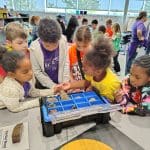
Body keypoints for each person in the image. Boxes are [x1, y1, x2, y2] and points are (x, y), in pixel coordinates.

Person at [61, 37, 121, 103]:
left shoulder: (111, 84)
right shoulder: (94, 73)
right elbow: (87, 82)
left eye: (85, 69)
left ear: (98, 71)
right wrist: (70, 85)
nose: (82, 69)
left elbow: (110, 103)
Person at [30, 18, 70, 89]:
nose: (52, 48)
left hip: (61, 82)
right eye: (47, 46)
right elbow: (37, 71)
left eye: (55, 44)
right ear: (41, 40)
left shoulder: (63, 40)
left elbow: (66, 63)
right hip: (44, 85)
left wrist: (65, 81)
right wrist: (53, 86)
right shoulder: (34, 48)